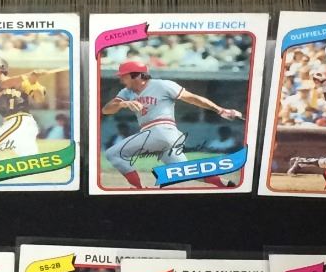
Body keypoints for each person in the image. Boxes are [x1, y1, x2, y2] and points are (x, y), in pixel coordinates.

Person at [101, 57, 243, 190]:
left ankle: (140, 189)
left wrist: (219, 110)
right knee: (185, 171)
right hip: (160, 136)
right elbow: (106, 110)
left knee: (113, 153)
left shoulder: (162, 85)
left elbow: (192, 98)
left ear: (135, 75)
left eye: (123, 76)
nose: (121, 79)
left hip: (162, 130)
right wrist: (123, 104)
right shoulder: (126, 92)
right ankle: (226, 184)